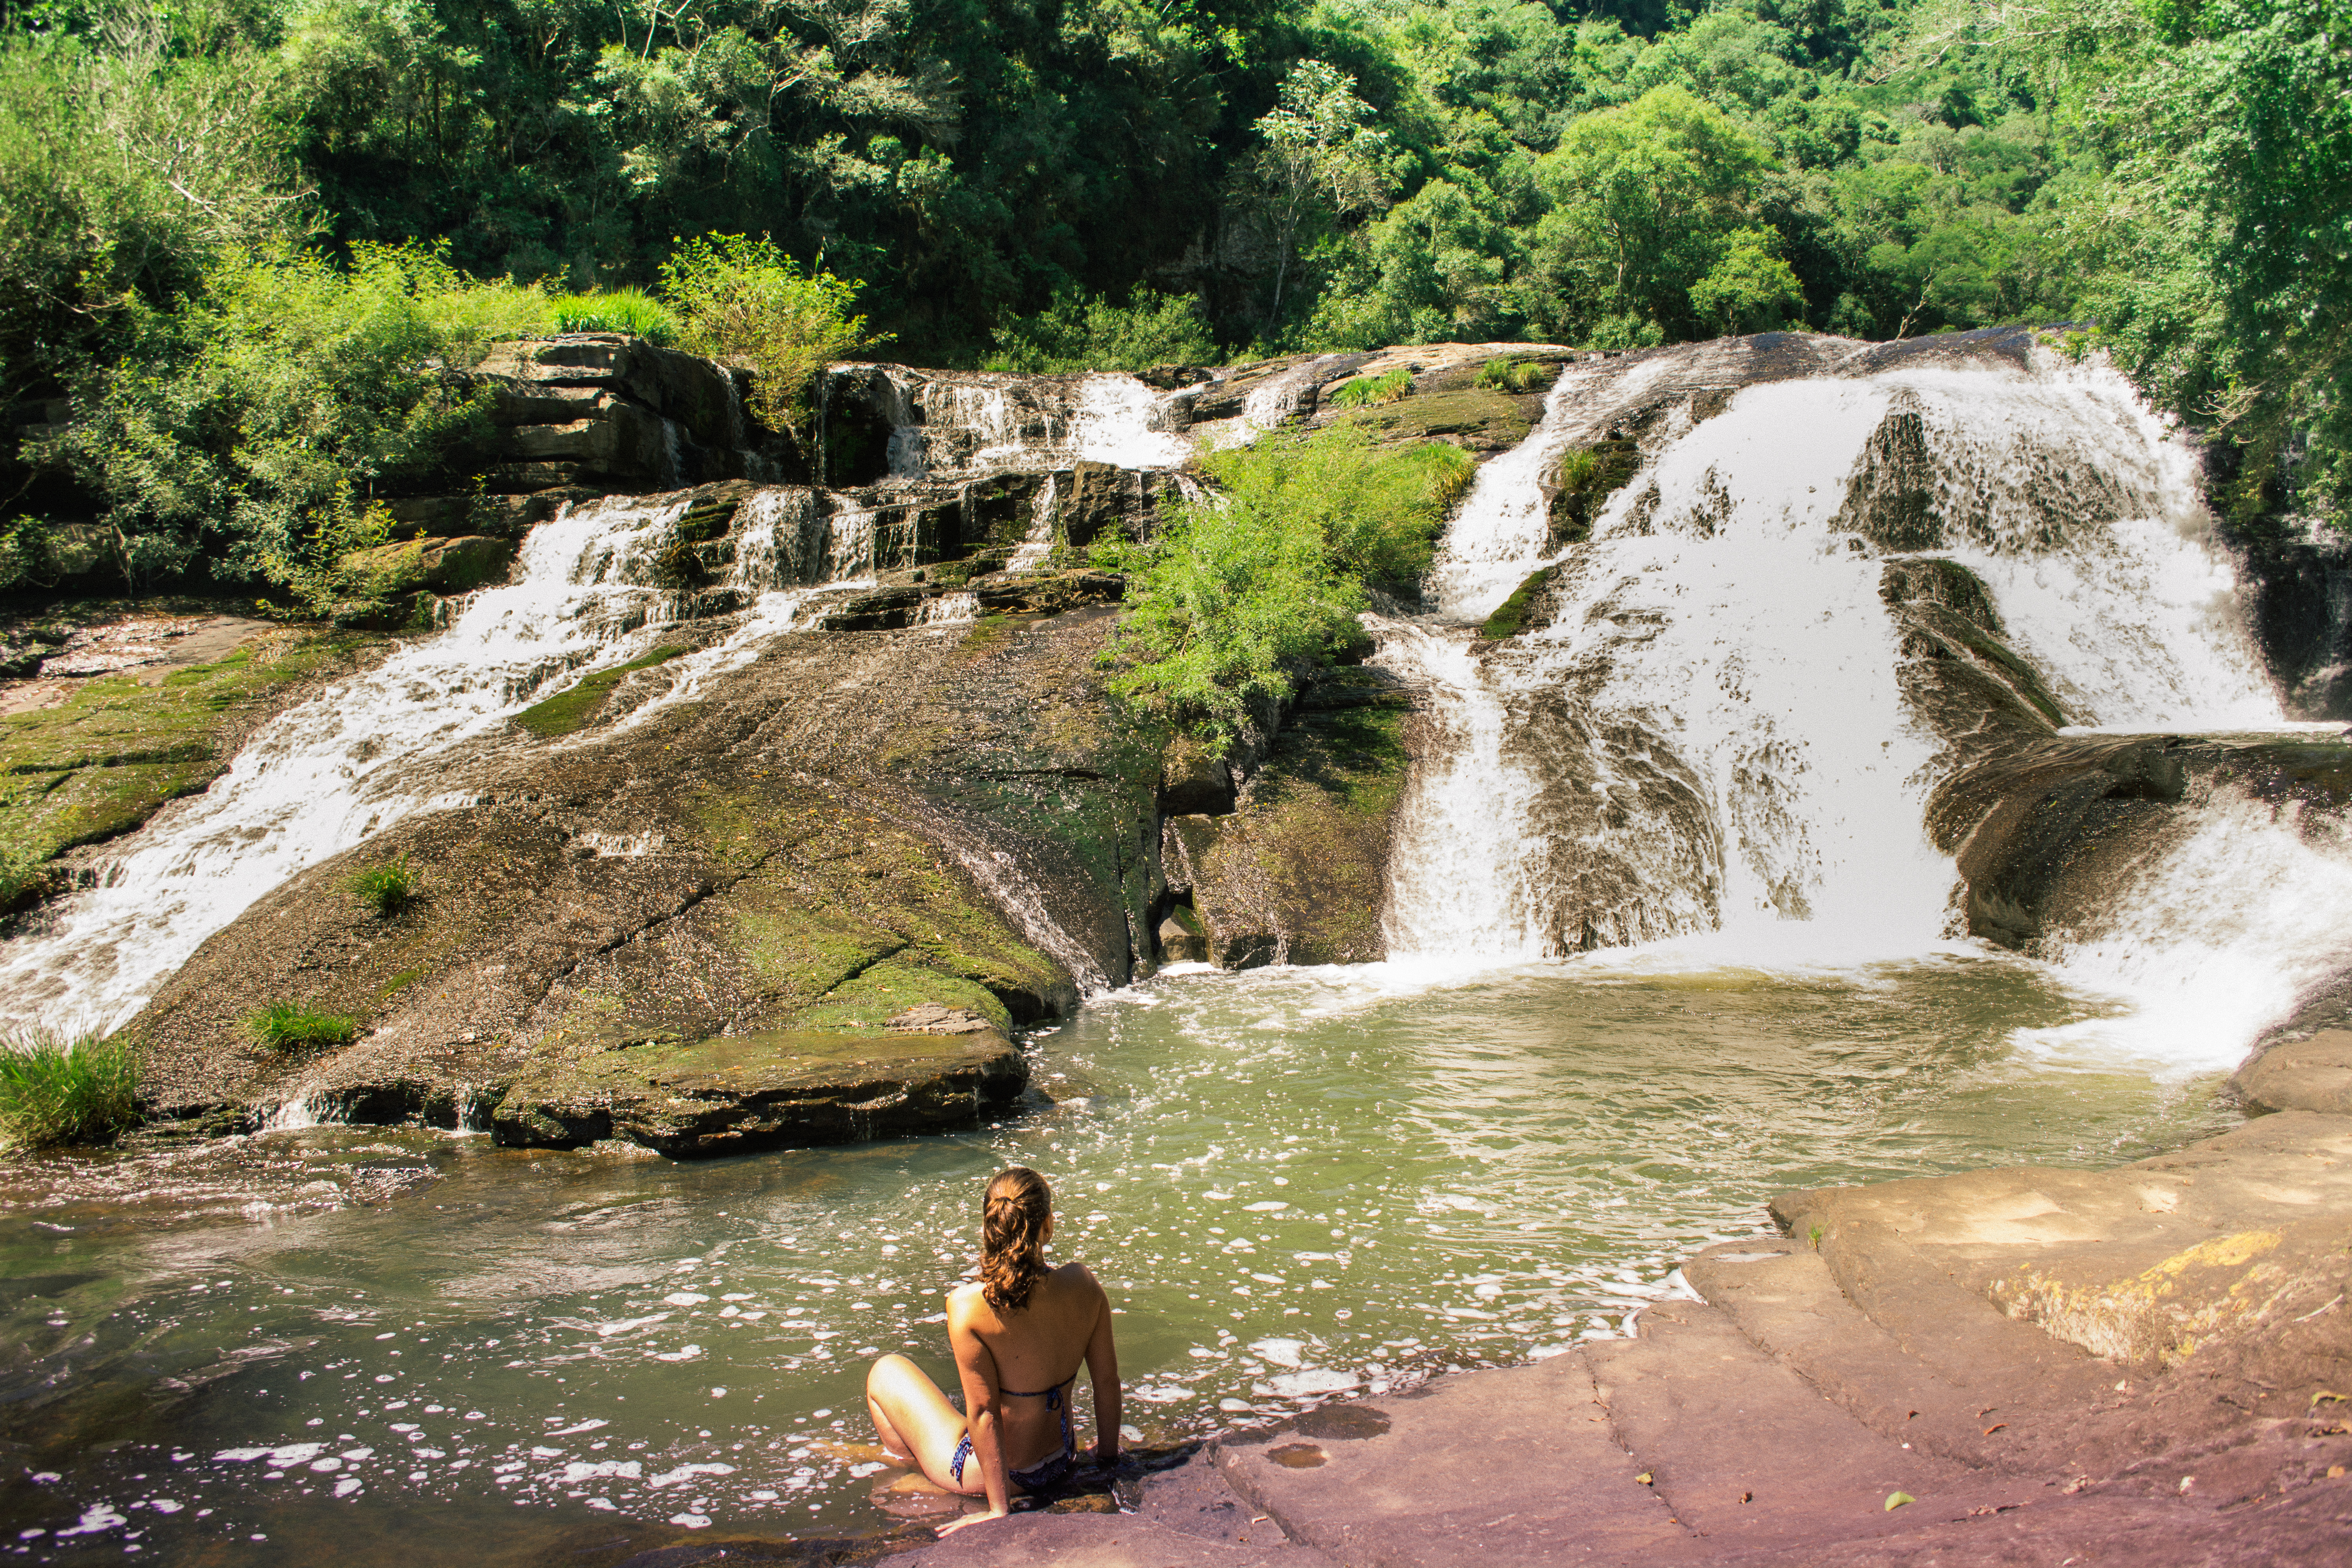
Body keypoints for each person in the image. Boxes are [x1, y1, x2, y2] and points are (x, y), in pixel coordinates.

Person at [865, 1166, 1123, 1537]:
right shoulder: (1083, 1284)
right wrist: (1108, 1459)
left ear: (990, 1229)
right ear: (1048, 1226)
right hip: (1059, 1462)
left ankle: (909, 1470)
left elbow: (985, 1414)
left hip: (996, 1477)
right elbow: (1107, 1381)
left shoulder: (967, 1306)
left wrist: (999, 1510)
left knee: (885, 1371)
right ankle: (913, 1468)